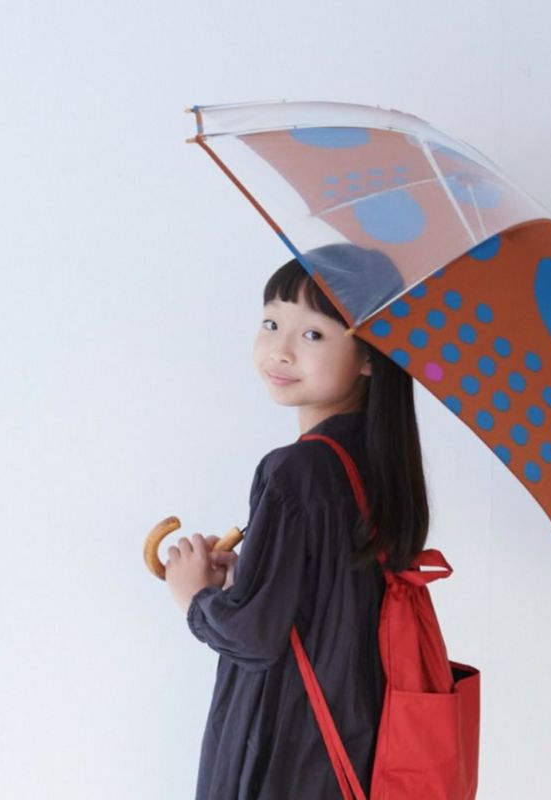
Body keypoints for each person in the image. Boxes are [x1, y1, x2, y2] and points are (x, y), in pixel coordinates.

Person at [164, 247, 430, 799]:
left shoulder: (296, 470)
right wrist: (249, 576)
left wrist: (196, 599)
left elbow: (254, 637)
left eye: (313, 334)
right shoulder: (381, 464)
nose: (280, 350)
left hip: (283, 748)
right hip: (356, 743)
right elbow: (323, 601)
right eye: (271, 322)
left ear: (369, 356)